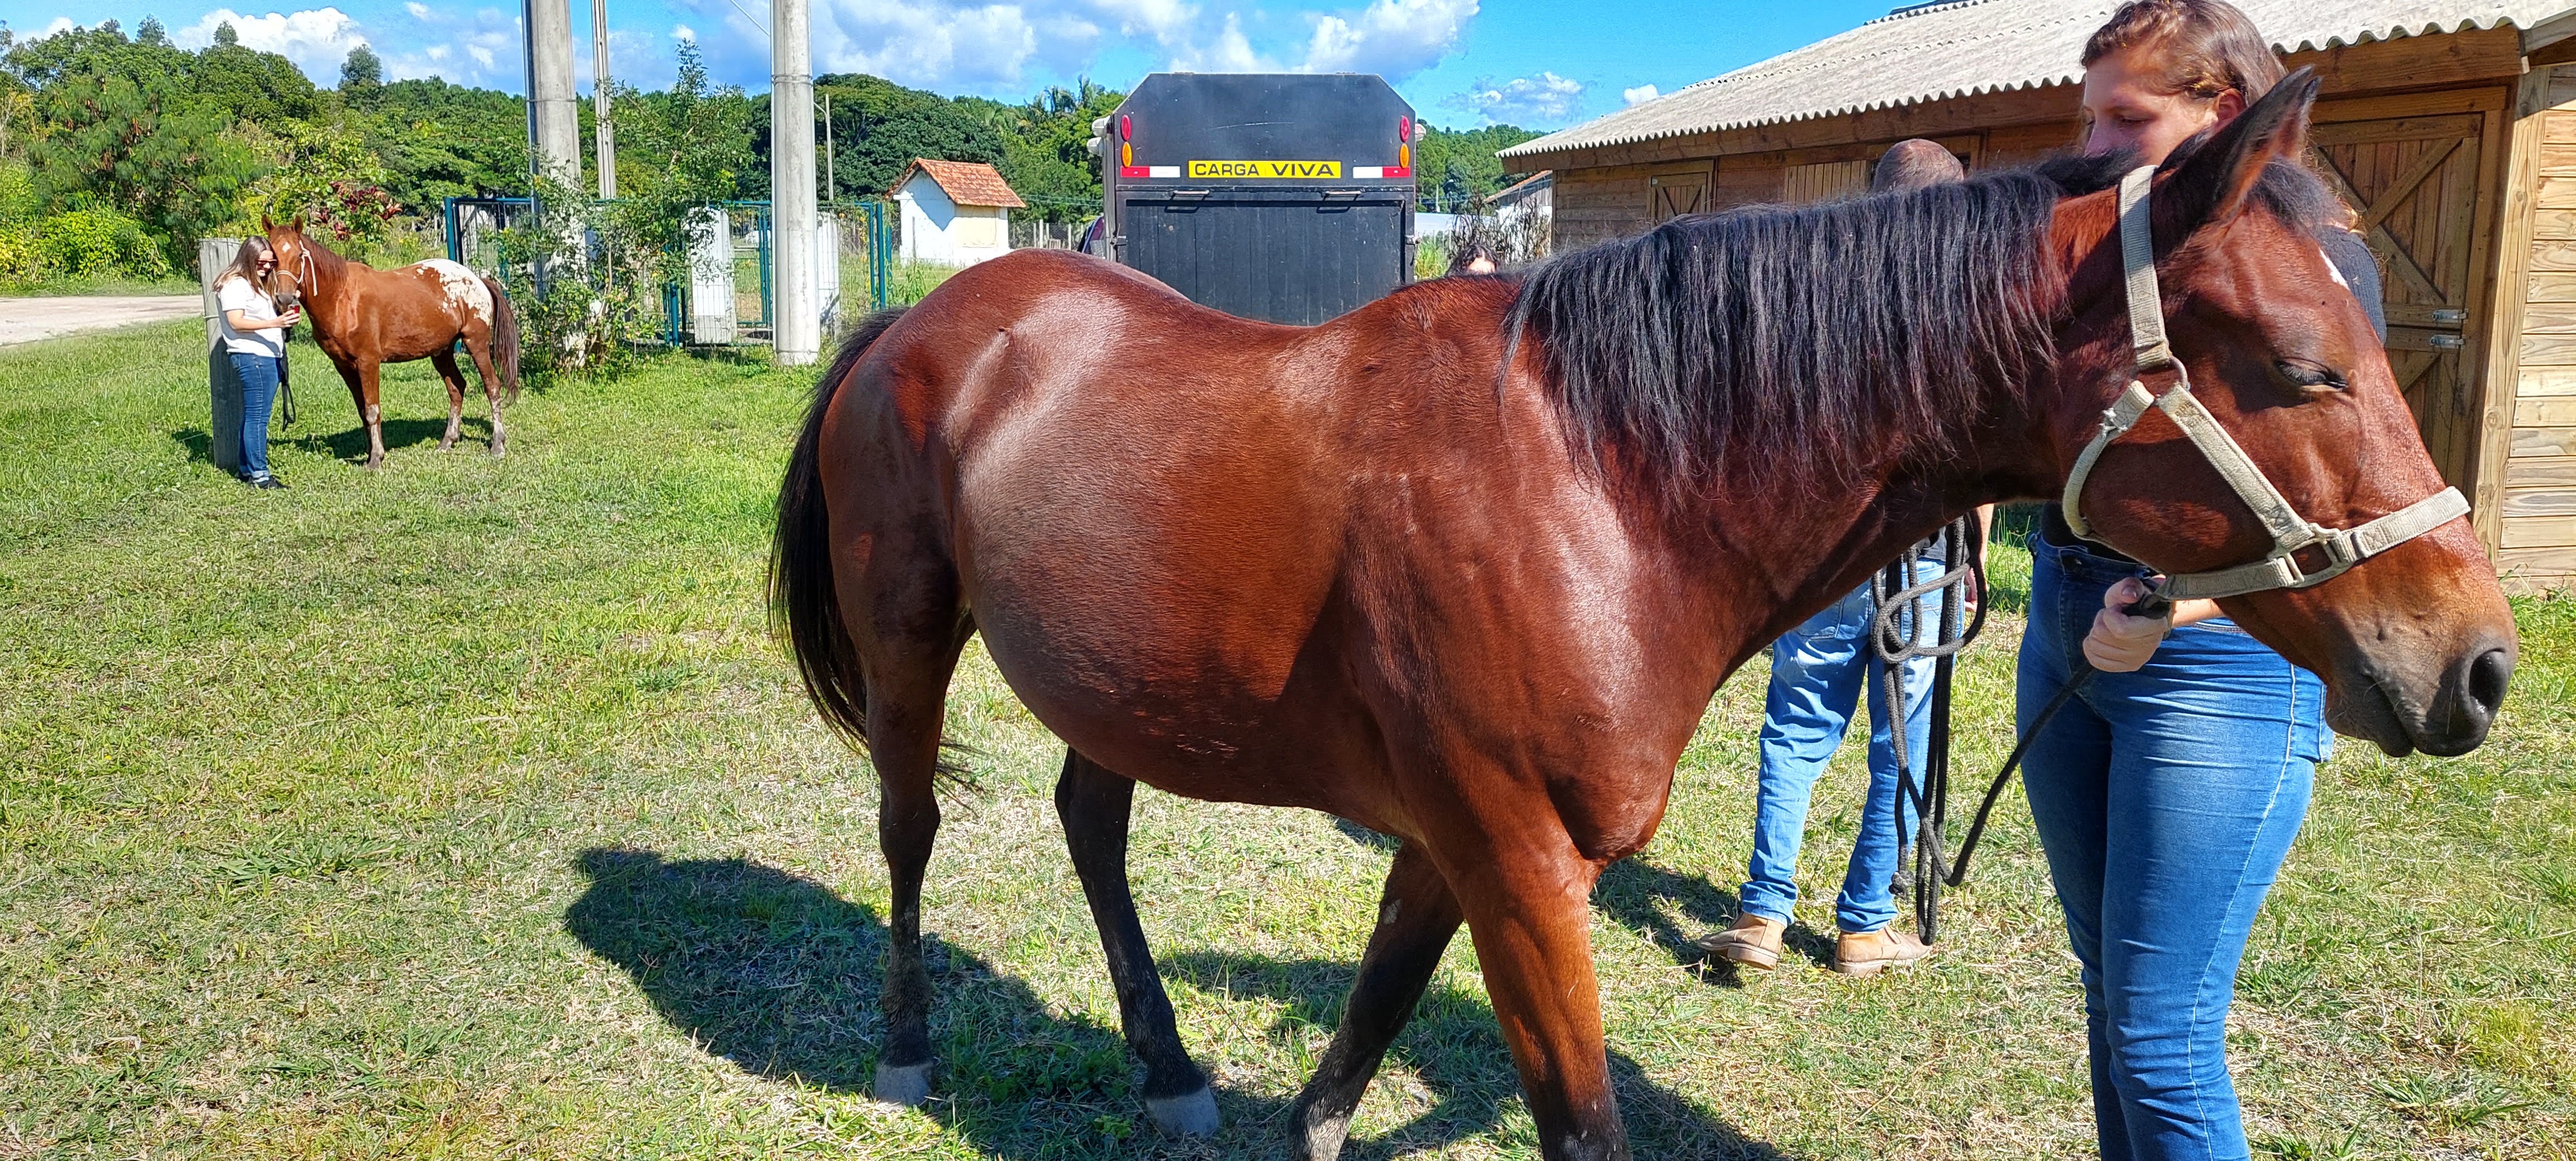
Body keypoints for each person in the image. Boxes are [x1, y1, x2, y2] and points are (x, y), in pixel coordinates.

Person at [2020, 3, 2384, 1158]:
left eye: (2123, 119)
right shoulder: (2118, 259)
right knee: (2108, 995)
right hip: (2068, 618)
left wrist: (2181, 604)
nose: (2092, 146)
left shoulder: (2318, 267)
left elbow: (2342, 499)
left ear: (2220, 118)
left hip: (2219, 657)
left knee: (2163, 1031)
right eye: (2086, 118)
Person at [1694, 139, 1968, 978]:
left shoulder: (1820, 295)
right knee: (1902, 740)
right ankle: (1863, 925)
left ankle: (1763, 912)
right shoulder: (1964, 302)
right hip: (1918, 557)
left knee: (1795, 731)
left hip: (1827, 550)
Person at [214, 238, 301, 489]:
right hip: (253, 357)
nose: (267, 266)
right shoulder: (235, 285)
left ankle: (246, 468)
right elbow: (237, 322)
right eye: (261, 262)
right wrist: (276, 324)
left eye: (271, 262)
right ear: (248, 258)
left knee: (253, 415)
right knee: (258, 418)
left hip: (264, 355)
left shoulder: (256, 285)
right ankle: (260, 475)